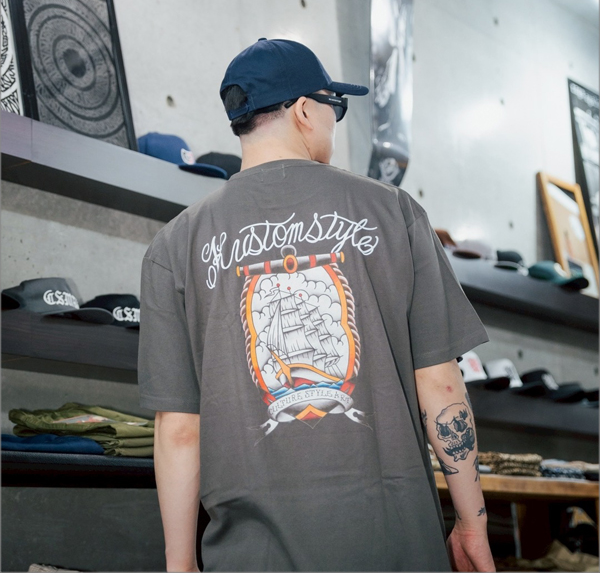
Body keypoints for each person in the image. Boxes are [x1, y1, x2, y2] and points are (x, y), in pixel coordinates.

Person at [138, 37, 496, 572]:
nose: (335, 121)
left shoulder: (174, 245)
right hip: (395, 548)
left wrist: (180, 564)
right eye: (336, 106)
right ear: (305, 110)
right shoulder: (394, 211)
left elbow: (179, 427)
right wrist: (472, 523)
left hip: (251, 558)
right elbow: (441, 384)